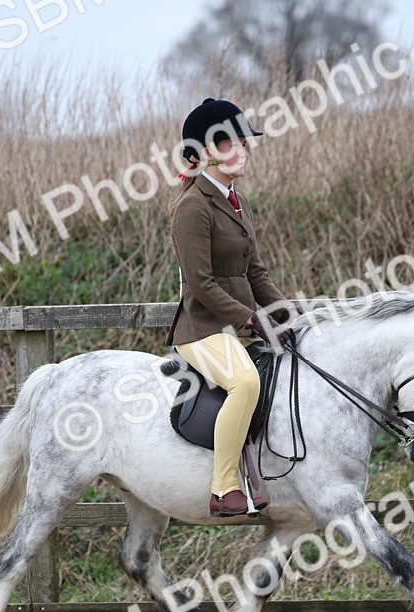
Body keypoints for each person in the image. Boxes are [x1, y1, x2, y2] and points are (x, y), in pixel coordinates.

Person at [165, 97, 293, 518]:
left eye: (244, 142)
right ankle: (223, 487)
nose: (242, 151)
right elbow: (200, 285)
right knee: (246, 383)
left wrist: (286, 313)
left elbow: (255, 272)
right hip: (201, 329)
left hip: (232, 326)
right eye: (230, 143)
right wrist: (249, 318)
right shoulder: (192, 208)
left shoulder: (237, 200)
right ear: (203, 153)